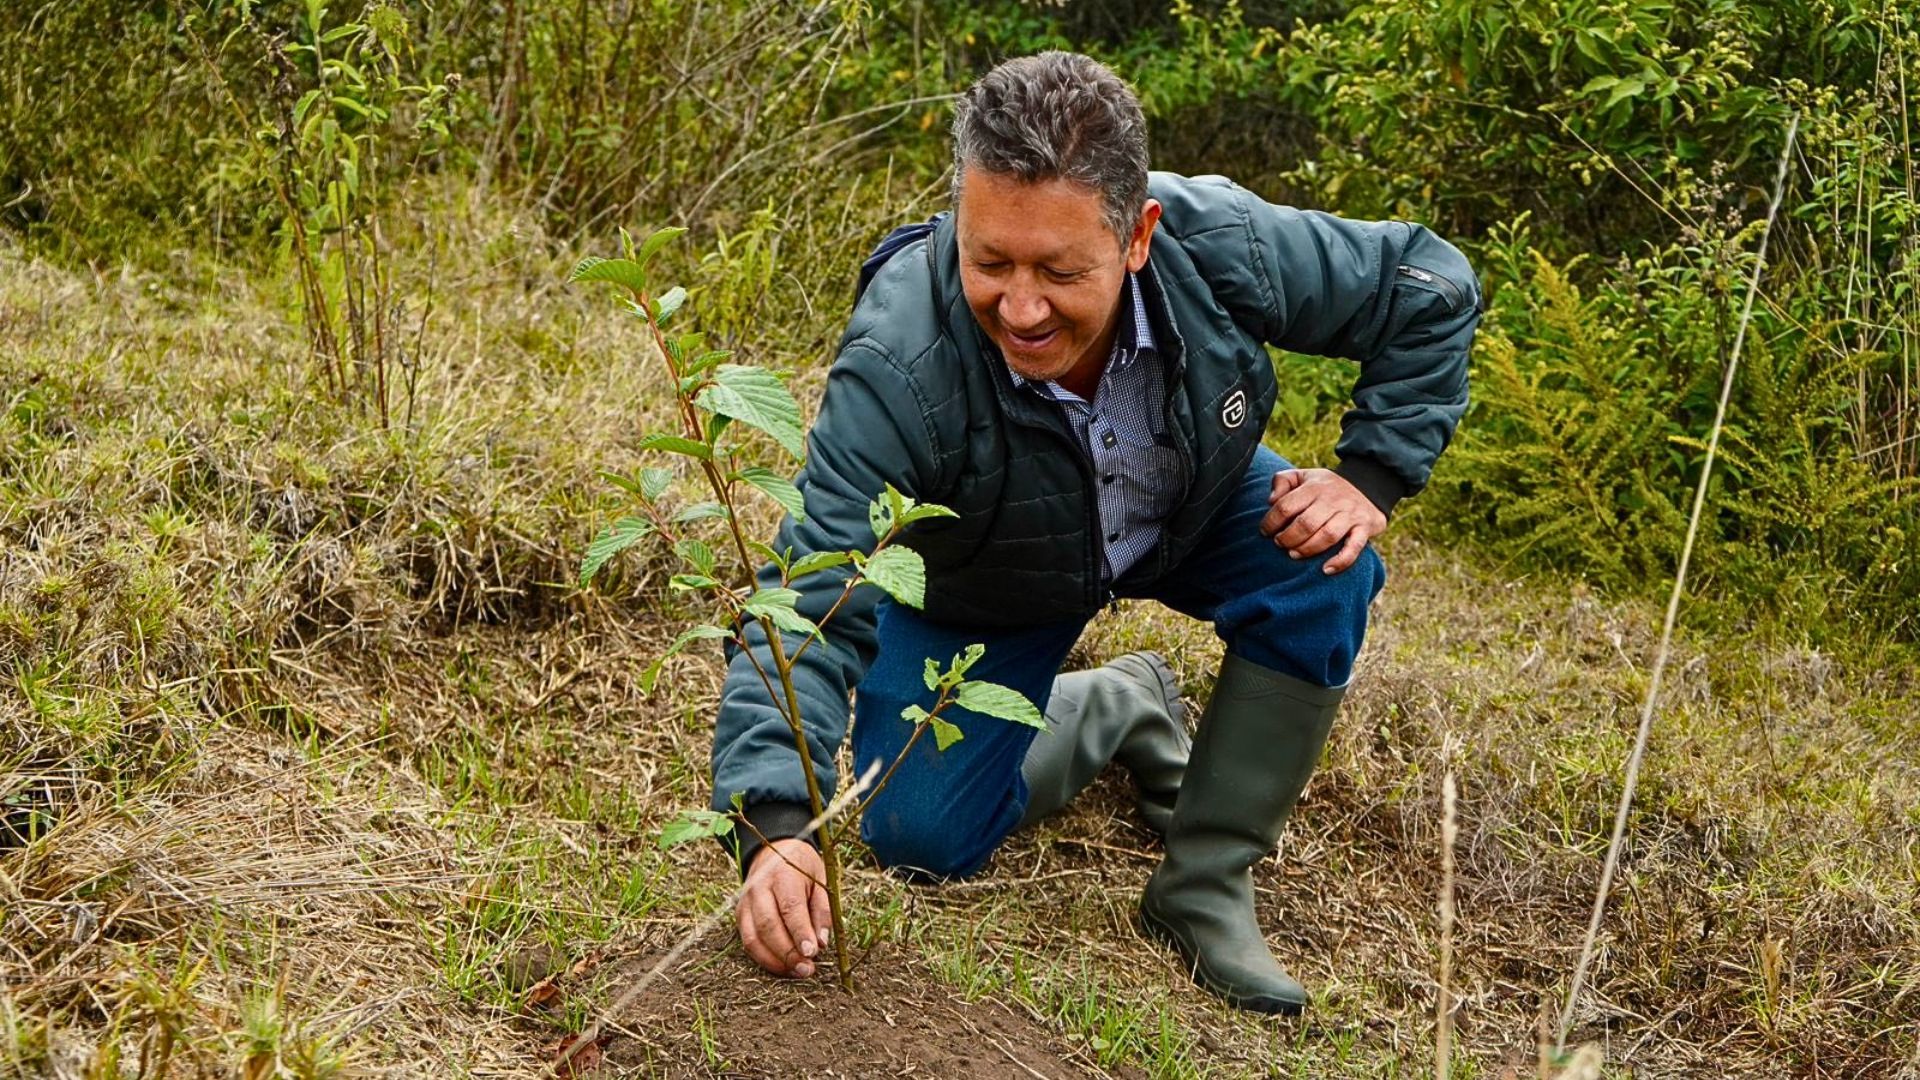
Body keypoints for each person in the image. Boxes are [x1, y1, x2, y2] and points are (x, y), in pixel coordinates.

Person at [709, 50, 1478, 1015]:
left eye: (1060, 271)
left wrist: (1371, 475)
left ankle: (1204, 882)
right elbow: (811, 594)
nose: (1020, 308)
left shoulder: (1221, 240)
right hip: (991, 583)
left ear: (1138, 236)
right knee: (913, 835)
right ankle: (1119, 705)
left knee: (1322, 562)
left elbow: (1429, 285)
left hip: (1187, 510)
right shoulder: (899, 360)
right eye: (988, 261)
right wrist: (778, 818)